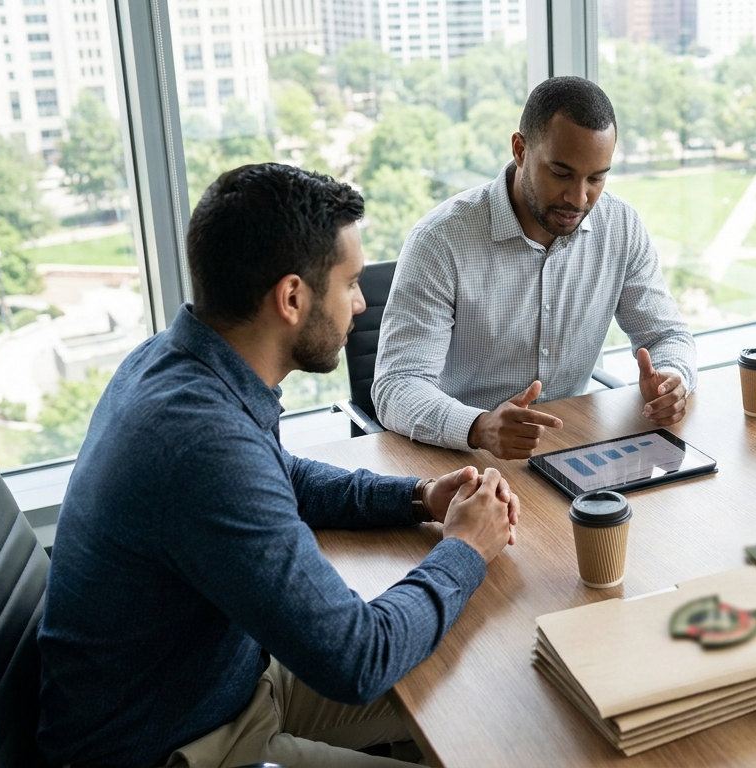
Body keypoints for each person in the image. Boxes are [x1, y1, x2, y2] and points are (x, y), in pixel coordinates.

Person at [37, 164, 520, 767]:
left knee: (485, 691)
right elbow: (358, 659)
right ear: (292, 298)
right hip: (177, 744)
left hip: (227, 679)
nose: (360, 302)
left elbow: (279, 474)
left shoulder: (177, 360)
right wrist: (466, 549)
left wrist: (418, 497)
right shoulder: (202, 446)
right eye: (350, 283)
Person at [372, 76, 697, 460]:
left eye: (596, 178)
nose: (578, 198)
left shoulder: (621, 226)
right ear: (520, 150)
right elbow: (398, 385)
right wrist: (479, 426)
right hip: (463, 458)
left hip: (570, 448)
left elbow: (667, 335)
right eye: (561, 173)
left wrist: (674, 377)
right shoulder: (441, 240)